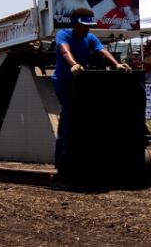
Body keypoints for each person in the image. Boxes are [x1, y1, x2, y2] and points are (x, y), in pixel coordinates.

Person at [52, 13, 132, 167]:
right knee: (72, 115)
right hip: (63, 82)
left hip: (79, 82)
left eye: (89, 26)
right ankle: (66, 161)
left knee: (68, 119)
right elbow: (64, 51)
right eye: (84, 25)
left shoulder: (90, 37)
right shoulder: (63, 34)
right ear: (75, 24)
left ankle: (62, 158)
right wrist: (73, 64)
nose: (87, 28)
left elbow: (102, 51)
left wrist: (116, 65)